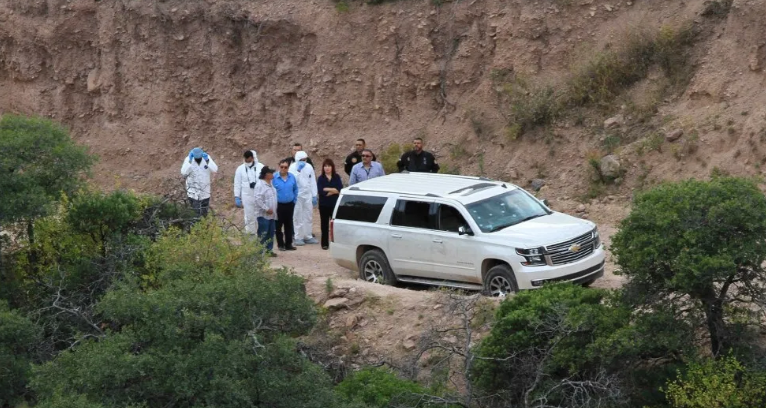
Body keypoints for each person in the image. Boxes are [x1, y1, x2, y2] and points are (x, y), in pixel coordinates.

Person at [289, 151, 319, 245]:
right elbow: (292, 180)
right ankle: (298, 237)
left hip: (308, 194)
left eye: (305, 159)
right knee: (298, 216)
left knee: (308, 215)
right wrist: (298, 171)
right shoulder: (293, 167)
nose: (303, 161)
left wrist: (314, 195)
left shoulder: (309, 167)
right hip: (297, 195)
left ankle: (308, 236)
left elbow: (312, 181)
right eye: (301, 160)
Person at [233, 150, 264, 235]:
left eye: (249, 159)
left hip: (259, 195)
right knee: (249, 215)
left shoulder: (261, 167)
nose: (247, 161)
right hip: (246, 195)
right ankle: (250, 234)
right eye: (246, 159)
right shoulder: (240, 169)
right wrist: (237, 196)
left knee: (259, 214)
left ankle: (260, 234)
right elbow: (237, 183)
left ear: (253, 158)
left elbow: (265, 181)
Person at [181, 147, 218, 217]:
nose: (198, 160)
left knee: (204, 215)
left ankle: (203, 227)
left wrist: (208, 161)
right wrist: (189, 161)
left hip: (205, 192)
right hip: (193, 193)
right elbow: (183, 172)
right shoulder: (188, 159)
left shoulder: (207, 158)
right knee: (196, 215)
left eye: (199, 158)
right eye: (196, 158)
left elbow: (215, 169)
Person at [273, 159, 299, 251]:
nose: (283, 169)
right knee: (278, 225)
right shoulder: (274, 177)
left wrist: (294, 200)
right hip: (278, 205)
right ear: (279, 166)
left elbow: (295, 189)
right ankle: (280, 244)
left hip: (290, 204)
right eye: (282, 167)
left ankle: (289, 244)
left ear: (288, 168)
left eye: (286, 167)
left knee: (289, 224)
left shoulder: (292, 177)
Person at [317, 159, 343, 250]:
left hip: (334, 204)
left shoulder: (337, 177)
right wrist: (333, 190)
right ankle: (324, 244)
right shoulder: (321, 178)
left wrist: (327, 189)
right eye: (325, 166)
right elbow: (321, 191)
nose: (327, 168)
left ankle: (336, 243)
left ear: (332, 167)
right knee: (324, 225)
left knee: (335, 224)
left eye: (329, 166)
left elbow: (339, 189)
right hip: (324, 205)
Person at [254, 166, 278, 257]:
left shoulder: (271, 184)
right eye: (271, 173)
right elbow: (257, 199)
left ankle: (269, 250)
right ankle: (259, 252)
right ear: (267, 174)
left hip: (272, 215)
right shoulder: (260, 185)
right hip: (263, 214)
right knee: (263, 233)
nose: (273, 174)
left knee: (270, 233)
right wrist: (266, 208)